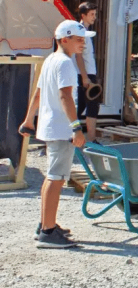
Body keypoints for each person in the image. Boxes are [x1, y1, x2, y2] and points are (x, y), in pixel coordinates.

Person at [20, 20, 91, 249]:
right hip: (61, 130)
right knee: (57, 178)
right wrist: (76, 127)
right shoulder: (65, 64)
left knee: (52, 177)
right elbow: (65, 97)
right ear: (64, 40)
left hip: (52, 127)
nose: (83, 43)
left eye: (84, 39)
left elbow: (39, 93)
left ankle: (45, 224)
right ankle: (48, 233)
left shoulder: (51, 60)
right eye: (79, 39)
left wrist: (29, 119)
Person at [72, 2, 100, 143]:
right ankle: (92, 140)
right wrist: (84, 77)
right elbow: (78, 56)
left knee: (80, 107)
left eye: (95, 14)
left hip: (87, 73)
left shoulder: (86, 32)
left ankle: (67, 136)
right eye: (91, 15)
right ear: (83, 15)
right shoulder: (81, 31)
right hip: (85, 74)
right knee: (92, 105)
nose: (94, 17)